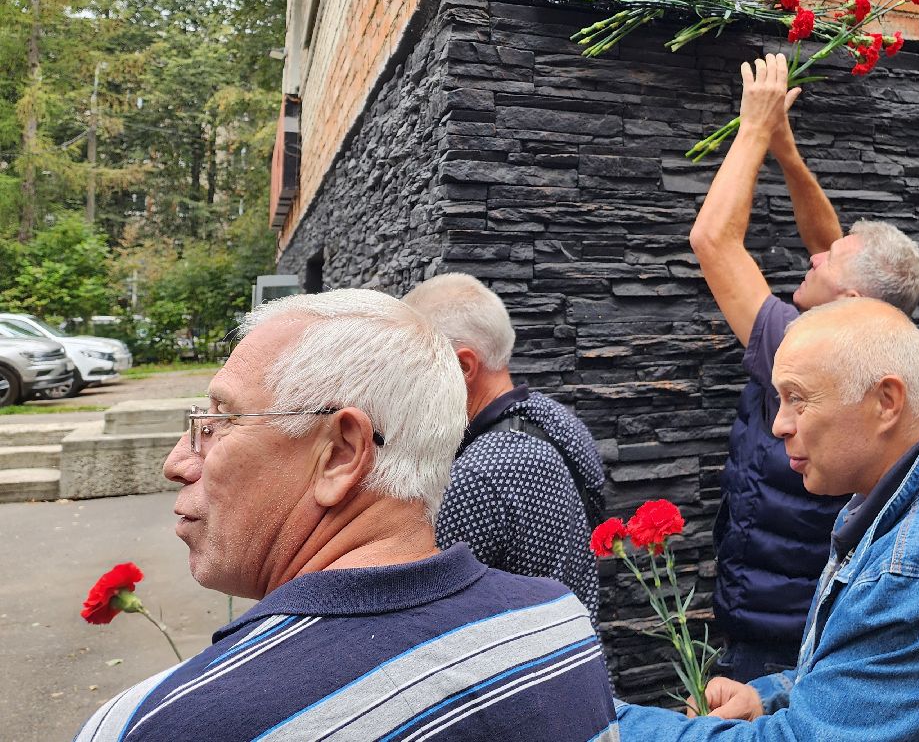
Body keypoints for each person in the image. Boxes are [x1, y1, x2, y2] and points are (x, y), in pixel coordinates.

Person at [76, 290, 617, 742]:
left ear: (339, 454)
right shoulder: (558, 625)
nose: (177, 462)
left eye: (221, 420)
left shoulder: (154, 726)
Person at [618, 299, 919, 740]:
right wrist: (768, 696)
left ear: (886, 402)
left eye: (797, 398)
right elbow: (868, 672)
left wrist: (600, 724)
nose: (780, 424)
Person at [689, 52, 919, 682]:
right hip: (805, 616)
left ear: (850, 300)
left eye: (829, 262)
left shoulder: (801, 346)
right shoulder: (878, 346)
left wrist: (754, 127)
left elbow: (712, 240)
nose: (815, 257)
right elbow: (828, 242)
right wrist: (788, 156)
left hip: (767, 640)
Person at [403, 272, 606, 619]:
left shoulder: (476, 477)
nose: (409, 388)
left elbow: (434, 610)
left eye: (414, 369)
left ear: (464, 366)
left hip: (520, 668)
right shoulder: (558, 420)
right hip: (576, 651)